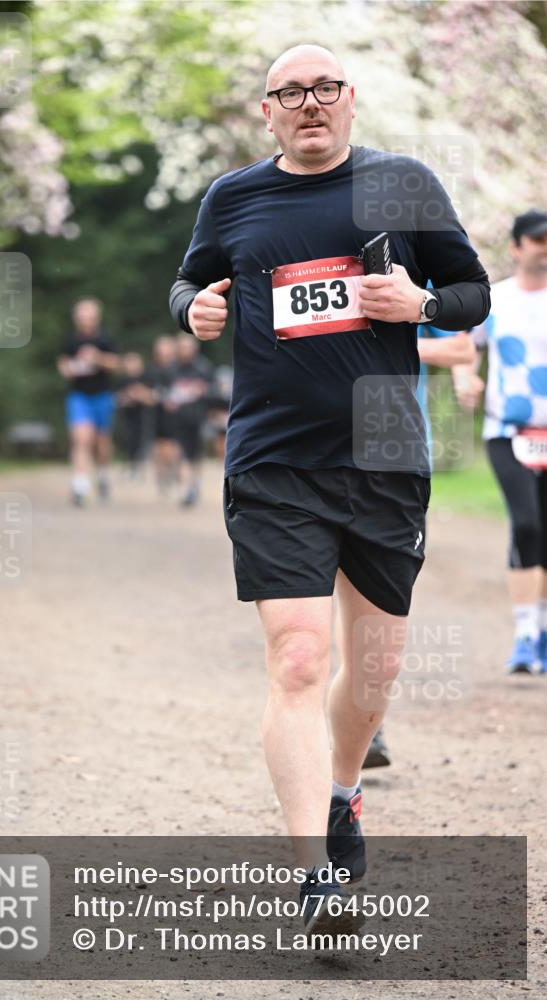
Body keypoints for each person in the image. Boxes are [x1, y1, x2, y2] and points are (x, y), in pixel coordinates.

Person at [169, 44, 490, 933]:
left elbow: (471, 291)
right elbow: (191, 281)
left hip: (385, 454)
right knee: (300, 657)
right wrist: (191, 309)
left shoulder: (401, 184)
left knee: (375, 666)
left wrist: (418, 306)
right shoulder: (234, 196)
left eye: (323, 90)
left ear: (350, 102)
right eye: (288, 94)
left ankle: (344, 790)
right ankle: (314, 874)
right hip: (274, 457)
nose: (308, 105)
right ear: (266, 112)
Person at [363, 312, 476, 770]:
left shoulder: (403, 260)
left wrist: (396, 346)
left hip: (394, 454)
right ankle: (351, 719)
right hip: (313, 453)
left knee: (375, 596)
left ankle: (368, 720)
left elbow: (462, 348)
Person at [452, 209, 547, 674]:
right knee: (526, 525)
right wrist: (465, 379)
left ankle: (541, 627)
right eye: (536, 239)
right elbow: (465, 348)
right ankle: (526, 635)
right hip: (507, 432)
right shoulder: (496, 300)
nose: (543, 246)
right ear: (515, 247)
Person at [57, 298, 120, 506]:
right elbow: (63, 363)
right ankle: (80, 486)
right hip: (79, 396)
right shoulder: (71, 341)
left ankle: (102, 476)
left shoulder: (105, 338)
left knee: (101, 443)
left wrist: (97, 358)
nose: (84, 320)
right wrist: (68, 368)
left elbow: (116, 364)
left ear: (96, 318)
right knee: (81, 438)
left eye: (88, 316)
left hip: (102, 395)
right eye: (80, 316)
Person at [170, 333, 215, 507]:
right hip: (178, 419)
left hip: (199, 417)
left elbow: (214, 392)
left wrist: (202, 392)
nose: (185, 351)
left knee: (196, 454)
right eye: (182, 347)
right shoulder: (172, 369)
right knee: (182, 453)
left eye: (188, 347)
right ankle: (186, 489)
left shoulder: (204, 367)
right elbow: (164, 391)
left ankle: (194, 484)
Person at [145, 336, 180, 496]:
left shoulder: (178, 371)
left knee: (172, 448)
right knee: (158, 449)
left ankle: (174, 473)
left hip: (176, 416)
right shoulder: (152, 371)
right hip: (157, 415)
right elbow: (145, 392)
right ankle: (161, 481)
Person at [115, 352, 154, 477]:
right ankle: (132, 466)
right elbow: (117, 399)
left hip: (144, 416)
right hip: (127, 416)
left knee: (142, 441)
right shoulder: (122, 381)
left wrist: (140, 394)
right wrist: (126, 397)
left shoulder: (147, 378)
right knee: (129, 441)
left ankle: (140, 466)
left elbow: (152, 398)